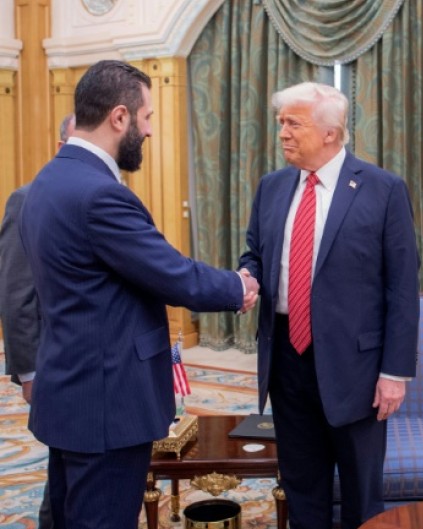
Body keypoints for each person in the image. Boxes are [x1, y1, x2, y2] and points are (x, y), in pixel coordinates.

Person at [19, 60, 259, 529]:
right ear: (120, 117)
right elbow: (171, 273)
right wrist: (238, 287)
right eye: (147, 118)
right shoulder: (100, 194)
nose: (149, 132)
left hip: (69, 393)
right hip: (107, 403)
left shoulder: (47, 180)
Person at [238, 81, 419, 529]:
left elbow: (402, 288)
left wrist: (394, 373)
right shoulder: (272, 186)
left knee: (361, 491)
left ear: (330, 132)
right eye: (281, 122)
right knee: (302, 485)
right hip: (286, 360)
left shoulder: (383, 189)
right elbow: (255, 254)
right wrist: (247, 277)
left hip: (356, 368)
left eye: (293, 123)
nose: (282, 132)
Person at [0, 112, 74, 529]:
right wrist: (28, 371)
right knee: (63, 474)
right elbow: (14, 291)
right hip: (52, 365)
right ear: (62, 147)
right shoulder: (27, 199)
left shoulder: (107, 193)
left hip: (88, 369)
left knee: (69, 474)